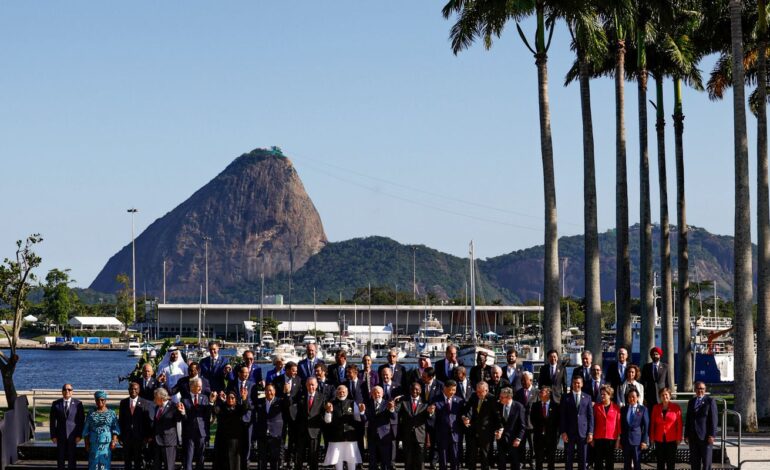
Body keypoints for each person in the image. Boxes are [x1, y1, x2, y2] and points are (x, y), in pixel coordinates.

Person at [323, 385, 364, 470]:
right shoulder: (331, 403)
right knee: (338, 459)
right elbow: (327, 421)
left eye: (343, 392)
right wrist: (328, 411)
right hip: (336, 436)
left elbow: (358, 418)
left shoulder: (352, 403)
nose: (341, 393)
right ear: (336, 393)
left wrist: (361, 411)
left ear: (347, 392)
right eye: (339, 392)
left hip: (350, 436)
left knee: (352, 459)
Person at [226, 364, 258, 470]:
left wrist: (245, 403)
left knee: (248, 444)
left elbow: (254, 403)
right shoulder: (232, 384)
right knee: (235, 444)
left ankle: (246, 465)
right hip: (235, 419)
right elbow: (229, 400)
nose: (245, 374)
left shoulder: (252, 385)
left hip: (248, 419)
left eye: (247, 373)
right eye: (243, 372)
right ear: (239, 373)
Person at [559, 376, 594, 470]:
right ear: (572, 384)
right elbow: (562, 416)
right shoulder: (565, 397)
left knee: (583, 459)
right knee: (568, 458)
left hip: (583, 432)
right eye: (574, 383)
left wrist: (590, 432)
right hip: (569, 432)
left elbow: (590, 416)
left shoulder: (587, 397)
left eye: (578, 383)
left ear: (582, 384)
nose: (576, 385)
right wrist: (563, 432)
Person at [212, 388, 251, 470]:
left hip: (236, 442)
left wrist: (244, 398)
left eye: (232, 398)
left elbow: (245, 408)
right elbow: (215, 411)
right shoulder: (222, 407)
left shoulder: (238, 408)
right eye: (229, 397)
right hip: (223, 442)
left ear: (236, 399)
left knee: (236, 464)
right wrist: (214, 401)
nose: (230, 399)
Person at [462, 381, 496, 470]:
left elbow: (496, 416)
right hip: (473, 430)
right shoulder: (473, 396)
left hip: (486, 432)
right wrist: (465, 417)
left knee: (485, 456)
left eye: (481, 392)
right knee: (471, 456)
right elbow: (467, 409)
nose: (479, 394)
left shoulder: (492, 399)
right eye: (477, 391)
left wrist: (497, 429)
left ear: (486, 390)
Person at [50, 383, 85, 470]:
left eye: (69, 389)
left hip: (73, 436)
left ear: (72, 392)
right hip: (60, 436)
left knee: (72, 458)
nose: (67, 391)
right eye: (65, 389)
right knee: (60, 458)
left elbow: (81, 421)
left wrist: (79, 435)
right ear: (62, 392)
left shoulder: (78, 404)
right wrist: (53, 436)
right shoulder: (56, 404)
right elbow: (52, 421)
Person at [293, 377, 325, 470]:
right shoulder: (300, 396)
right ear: (306, 385)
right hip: (301, 431)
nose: (311, 387)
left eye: (313, 385)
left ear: (316, 385)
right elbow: (296, 412)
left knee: (313, 456)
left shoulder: (322, 397)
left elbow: (323, 414)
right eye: (309, 385)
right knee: (299, 456)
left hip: (314, 431)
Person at [431, 380, 464, 470]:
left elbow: (462, 415)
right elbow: (432, 416)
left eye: (454, 390)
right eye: (451, 390)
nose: (453, 392)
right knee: (443, 460)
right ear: (444, 388)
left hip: (455, 434)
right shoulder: (436, 399)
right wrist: (430, 413)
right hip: (442, 434)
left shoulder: (459, 401)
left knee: (455, 460)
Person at [82, 390, 120, 470]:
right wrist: (86, 443)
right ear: (95, 400)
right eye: (98, 400)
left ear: (105, 400)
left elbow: (115, 428)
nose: (100, 401)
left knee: (105, 464)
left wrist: (114, 441)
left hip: (106, 444)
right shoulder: (91, 413)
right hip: (93, 444)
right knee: (93, 464)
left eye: (102, 400)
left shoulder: (111, 413)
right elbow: (86, 429)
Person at [398, 382, 431, 470]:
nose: (414, 391)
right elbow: (396, 412)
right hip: (407, 435)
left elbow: (429, 418)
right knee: (408, 460)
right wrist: (392, 406)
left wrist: (431, 413)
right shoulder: (404, 401)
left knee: (420, 460)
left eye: (417, 389)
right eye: (412, 389)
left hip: (420, 435)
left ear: (420, 390)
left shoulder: (425, 403)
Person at [685, 381, 718, 470]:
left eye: (702, 389)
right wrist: (686, 435)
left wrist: (712, 435)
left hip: (705, 437)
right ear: (695, 390)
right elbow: (688, 419)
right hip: (693, 437)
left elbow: (714, 420)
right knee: (694, 463)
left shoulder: (710, 401)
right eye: (698, 388)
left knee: (706, 463)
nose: (700, 390)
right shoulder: (691, 402)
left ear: (705, 389)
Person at [119, 382, 151, 470]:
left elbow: (147, 421)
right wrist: (120, 436)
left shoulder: (145, 402)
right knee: (127, 460)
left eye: (135, 389)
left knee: (138, 460)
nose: (133, 390)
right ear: (128, 390)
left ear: (139, 390)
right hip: (127, 437)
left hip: (139, 437)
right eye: (131, 389)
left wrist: (147, 436)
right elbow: (121, 420)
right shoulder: (123, 403)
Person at [364, 385, 398, 470]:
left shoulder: (387, 403)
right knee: (372, 460)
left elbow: (394, 417)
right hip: (372, 435)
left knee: (385, 460)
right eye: (374, 393)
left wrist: (392, 409)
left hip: (384, 436)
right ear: (372, 394)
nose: (376, 395)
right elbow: (364, 419)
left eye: (378, 393)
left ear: (382, 394)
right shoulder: (368, 404)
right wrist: (361, 412)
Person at [180, 378, 211, 470]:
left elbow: (207, 415)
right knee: (188, 457)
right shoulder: (184, 399)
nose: (200, 388)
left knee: (200, 457)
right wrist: (182, 413)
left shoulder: (204, 398)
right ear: (191, 386)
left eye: (201, 386)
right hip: (189, 433)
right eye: (198, 386)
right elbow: (183, 418)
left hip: (201, 432)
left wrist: (211, 403)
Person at [150, 387, 184, 470]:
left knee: (169, 467)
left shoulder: (173, 407)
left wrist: (182, 412)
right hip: (157, 442)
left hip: (168, 442)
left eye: (155, 397)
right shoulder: (157, 407)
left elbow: (179, 419)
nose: (154, 399)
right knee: (156, 467)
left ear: (161, 398)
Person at [254, 384, 285, 470]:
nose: (269, 392)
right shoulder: (260, 402)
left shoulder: (280, 402)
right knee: (261, 460)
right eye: (267, 390)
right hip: (262, 434)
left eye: (271, 390)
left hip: (275, 435)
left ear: (274, 392)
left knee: (274, 460)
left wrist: (287, 393)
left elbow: (288, 403)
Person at [650, 387, 682, 470]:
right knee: (660, 463)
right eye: (662, 395)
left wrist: (679, 438)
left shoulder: (676, 408)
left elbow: (679, 425)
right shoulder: (655, 408)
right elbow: (652, 424)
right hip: (659, 439)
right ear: (660, 397)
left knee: (670, 463)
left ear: (670, 396)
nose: (665, 397)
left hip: (672, 439)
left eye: (666, 395)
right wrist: (652, 437)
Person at [496, 387, 526, 470]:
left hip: (514, 440)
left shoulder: (519, 407)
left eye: (502, 397)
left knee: (515, 464)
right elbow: (497, 421)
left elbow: (522, 426)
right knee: (501, 464)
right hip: (501, 440)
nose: (500, 399)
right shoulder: (499, 405)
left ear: (509, 397)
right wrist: (497, 431)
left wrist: (518, 438)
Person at [591, 385, 621, 470]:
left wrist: (618, 439)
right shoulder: (596, 407)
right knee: (598, 461)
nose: (602, 396)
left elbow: (618, 424)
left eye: (604, 394)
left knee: (609, 461)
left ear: (609, 395)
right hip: (598, 437)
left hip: (611, 438)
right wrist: (592, 437)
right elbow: (593, 423)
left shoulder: (616, 408)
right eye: (601, 394)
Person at [530, 387, 559, 470]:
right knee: (539, 460)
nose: (540, 394)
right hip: (538, 436)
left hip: (551, 437)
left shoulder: (556, 406)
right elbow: (532, 419)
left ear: (548, 394)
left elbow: (557, 421)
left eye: (542, 392)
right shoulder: (535, 405)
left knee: (551, 460)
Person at [620, 389, 649, 470]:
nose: (631, 399)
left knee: (637, 463)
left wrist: (644, 441)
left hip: (637, 441)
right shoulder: (623, 409)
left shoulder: (643, 409)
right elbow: (621, 425)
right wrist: (621, 440)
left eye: (633, 397)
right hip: (626, 441)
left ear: (638, 397)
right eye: (629, 397)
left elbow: (646, 426)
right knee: (626, 464)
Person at [514, 371, 537, 469]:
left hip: (532, 424)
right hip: (521, 424)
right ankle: (522, 461)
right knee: (521, 445)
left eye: (524, 380)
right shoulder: (518, 393)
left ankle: (532, 461)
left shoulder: (537, 392)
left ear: (531, 381)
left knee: (532, 445)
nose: (522, 382)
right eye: (521, 380)